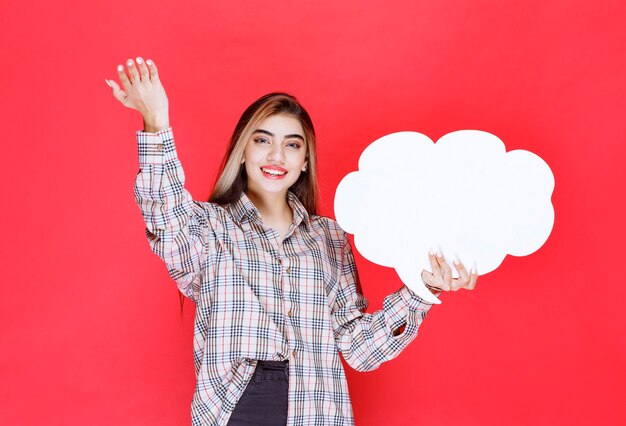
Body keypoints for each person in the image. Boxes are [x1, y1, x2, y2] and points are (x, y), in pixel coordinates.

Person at [107, 56, 478, 426]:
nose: (275, 156)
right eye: (262, 140)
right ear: (243, 152)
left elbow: (360, 348)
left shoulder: (329, 237)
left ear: (305, 161)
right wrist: (157, 121)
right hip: (236, 410)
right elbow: (164, 212)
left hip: (318, 410)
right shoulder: (209, 228)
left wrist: (421, 289)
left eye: (292, 145)